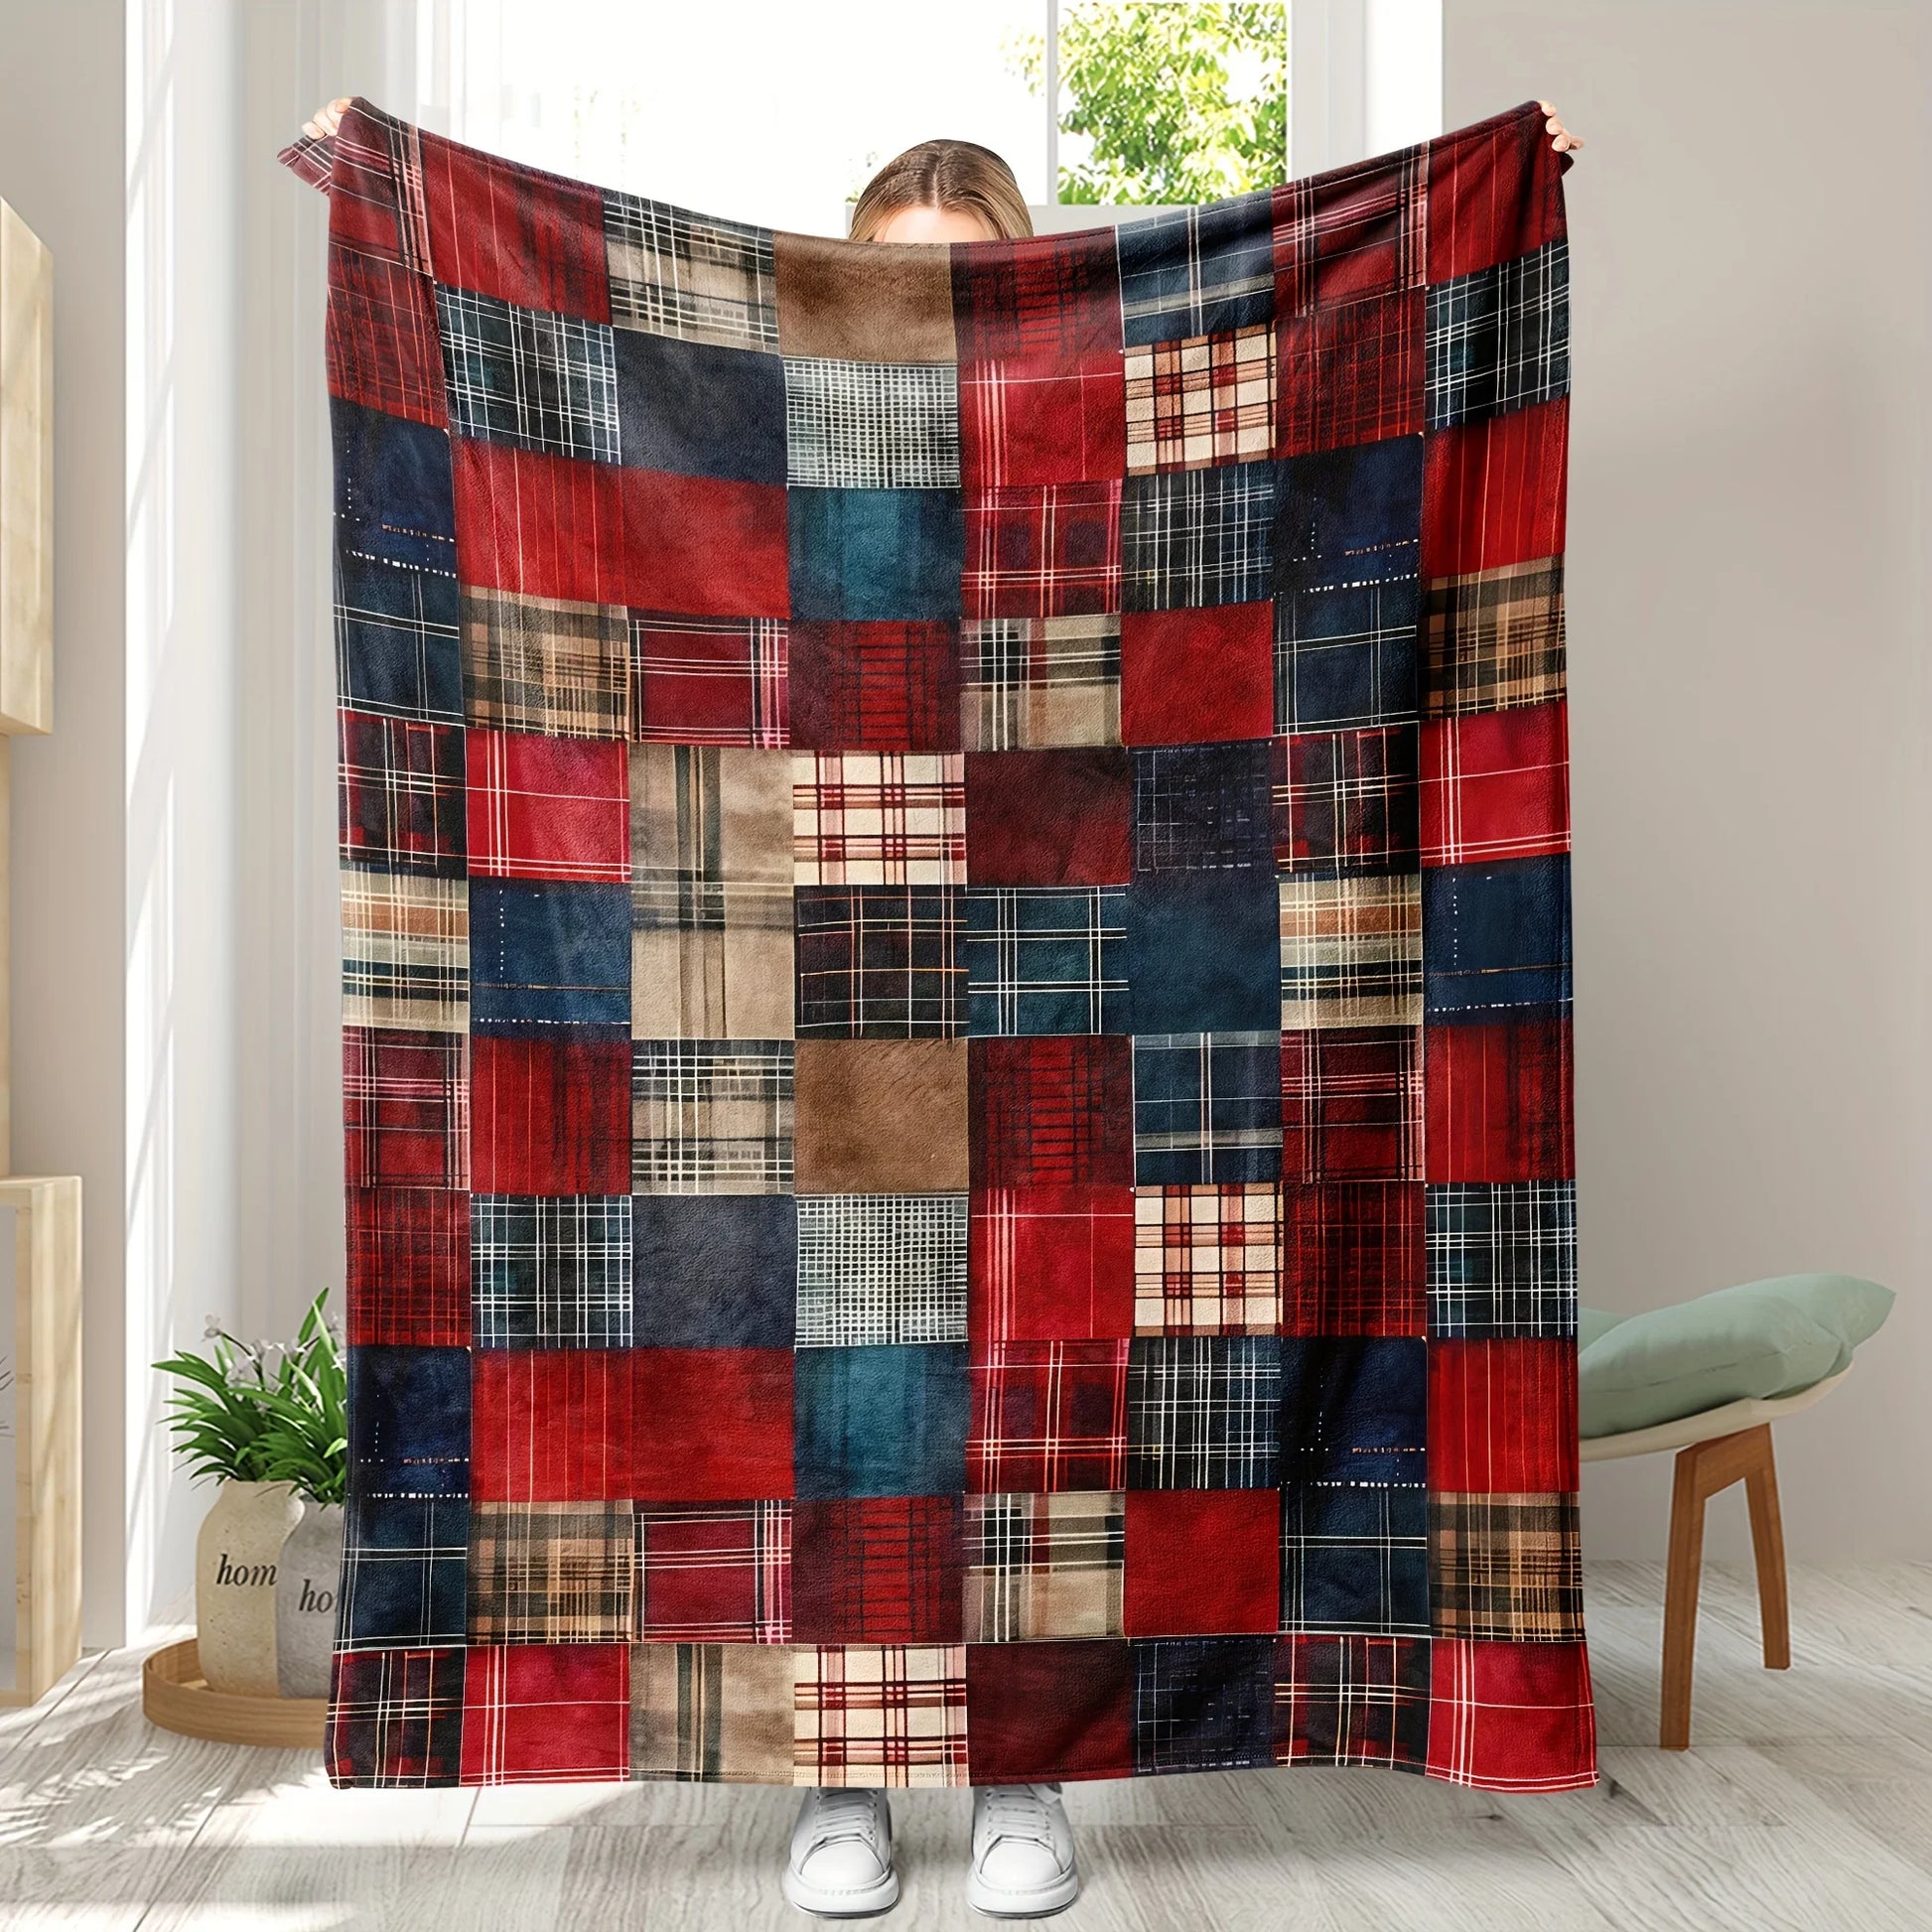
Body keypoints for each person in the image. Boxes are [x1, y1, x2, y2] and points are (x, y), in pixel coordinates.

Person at [302, 89, 1582, 1924]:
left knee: (1057, 1362)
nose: (934, 336)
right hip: (800, 937)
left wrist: (1491, 208)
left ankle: (1022, 1766)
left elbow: (1288, 511)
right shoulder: (769, 438)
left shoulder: (1101, 413)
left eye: (971, 295)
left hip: (1072, 942)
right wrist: (392, 192)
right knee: (836, 1379)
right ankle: (834, 1771)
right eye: (896, 295)